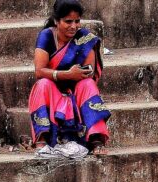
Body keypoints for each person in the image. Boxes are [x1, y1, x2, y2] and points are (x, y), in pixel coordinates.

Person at [29, 0, 110, 158]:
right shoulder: (46, 36)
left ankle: (95, 140)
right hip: (53, 92)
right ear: (56, 21)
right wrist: (66, 74)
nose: (74, 26)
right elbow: (39, 71)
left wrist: (78, 74)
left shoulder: (84, 38)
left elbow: (89, 70)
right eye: (68, 21)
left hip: (76, 92)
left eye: (77, 21)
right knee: (42, 84)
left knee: (88, 83)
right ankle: (42, 141)